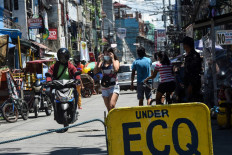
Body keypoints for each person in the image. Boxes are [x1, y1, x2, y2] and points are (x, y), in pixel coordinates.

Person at [46, 48, 81, 122]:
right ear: (59, 57)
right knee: (51, 93)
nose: (63, 59)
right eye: (61, 57)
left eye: (64, 57)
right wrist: (48, 80)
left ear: (67, 57)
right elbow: (49, 73)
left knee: (76, 93)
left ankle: (74, 109)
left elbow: (75, 72)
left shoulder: (71, 66)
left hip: (69, 85)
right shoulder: (54, 66)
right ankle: (54, 110)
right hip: (57, 86)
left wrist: (77, 79)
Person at [94, 47, 120, 112]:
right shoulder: (102, 63)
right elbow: (95, 71)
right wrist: (98, 61)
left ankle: (114, 120)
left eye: (108, 54)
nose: (107, 55)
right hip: (105, 87)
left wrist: (112, 58)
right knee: (108, 108)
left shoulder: (115, 61)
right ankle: (111, 121)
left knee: (112, 105)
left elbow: (116, 69)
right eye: (105, 54)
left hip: (113, 86)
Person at [182, 36, 202, 102]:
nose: (183, 46)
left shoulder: (194, 56)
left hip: (193, 86)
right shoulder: (188, 56)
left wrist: (191, 85)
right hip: (188, 84)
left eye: (183, 44)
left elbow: (194, 72)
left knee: (192, 103)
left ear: (186, 45)